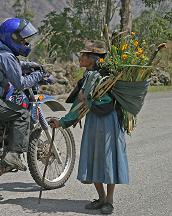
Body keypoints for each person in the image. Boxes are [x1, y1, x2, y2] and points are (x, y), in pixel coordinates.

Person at [49, 40, 129, 215]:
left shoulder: (106, 78)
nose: (80, 58)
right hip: (93, 121)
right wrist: (62, 122)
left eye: (83, 55)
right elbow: (79, 104)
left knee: (107, 160)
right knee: (93, 158)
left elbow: (106, 103)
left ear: (92, 58)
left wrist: (88, 101)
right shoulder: (88, 77)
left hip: (108, 122)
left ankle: (109, 201)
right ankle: (100, 198)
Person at [0, 18, 44, 171]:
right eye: (22, 39)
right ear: (13, 38)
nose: (25, 43)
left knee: (6, 115)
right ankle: (13, 155)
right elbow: (20, 83)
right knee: (22, 115)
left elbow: (12, 66)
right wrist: (38, 75)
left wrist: (29, 65)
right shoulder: (7, 56)